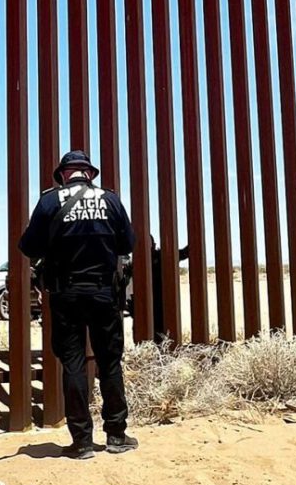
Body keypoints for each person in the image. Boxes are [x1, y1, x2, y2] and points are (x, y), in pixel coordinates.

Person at [19, 150, 137, 460]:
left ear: (63, 174)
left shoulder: (49, 201)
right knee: (109, 363)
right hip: (103, 293)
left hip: (66, 294)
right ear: (89, 174)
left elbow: (28, 246)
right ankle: (116, 435)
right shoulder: (110, 200)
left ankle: (82, 442)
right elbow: (128, 243)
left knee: (73, 365)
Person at [150, 235, 189, 342]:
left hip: (160, 300)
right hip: (146, 303)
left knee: (159, 329)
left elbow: (183, 253)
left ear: (154, 245)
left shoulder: (162, 256)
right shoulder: (135, 264)